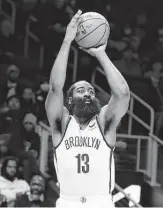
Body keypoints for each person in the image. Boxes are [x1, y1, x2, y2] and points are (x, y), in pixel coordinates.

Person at [45, 10, 130, 208]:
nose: (87, 94)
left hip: (100, 202)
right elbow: (55, 86)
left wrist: (101, 54)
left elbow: (123, 94)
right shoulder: (61, 122)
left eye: (90, 91)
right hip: (68, 202)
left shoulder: (104, 121)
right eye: (81, 90)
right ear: (70, 100)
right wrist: (67, 40)